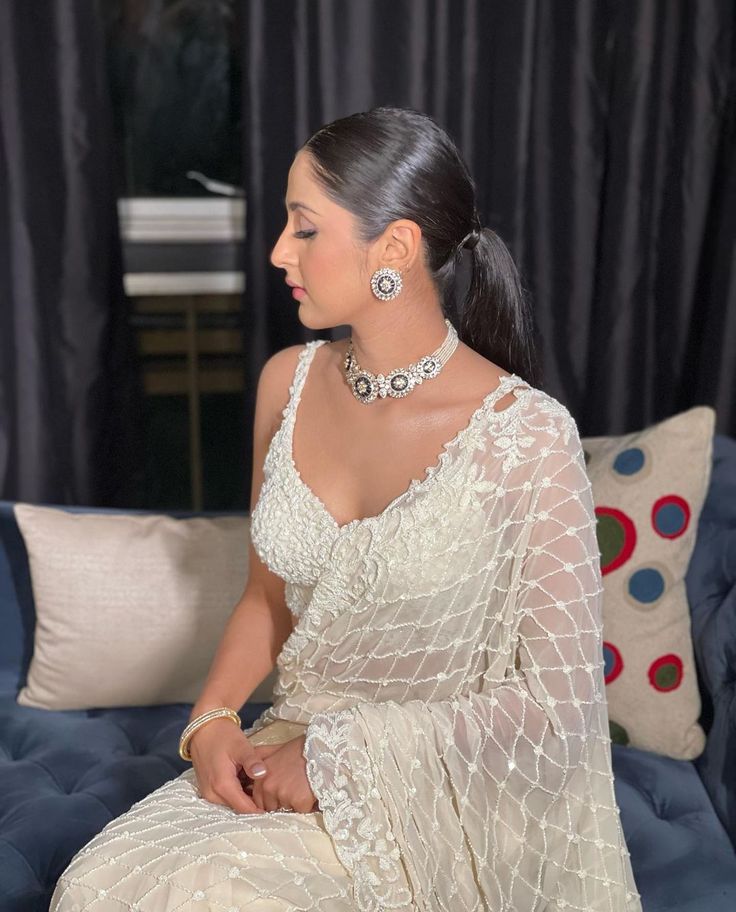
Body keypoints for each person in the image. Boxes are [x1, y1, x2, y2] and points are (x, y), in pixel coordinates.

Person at [50, 106, 642, 911]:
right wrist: (214, 719)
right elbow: (267, 599)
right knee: (95, 888)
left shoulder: (530, 438)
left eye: (303, 229)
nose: (277, 253)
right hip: (279, 761)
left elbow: (560, 706)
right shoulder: (283, 386)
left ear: (393, 249)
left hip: (439, 796)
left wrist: (340, 760)